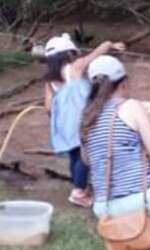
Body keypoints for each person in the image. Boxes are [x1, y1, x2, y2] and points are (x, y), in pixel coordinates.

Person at [81, 55, 150, 245]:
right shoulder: (130, 107)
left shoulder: (86, 116)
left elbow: (87, 161)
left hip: (103, 209)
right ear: (123, 83)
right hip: (142, 205)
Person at [43, 33, 125, 208]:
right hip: (80, 120)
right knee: (84, 157)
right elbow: (96, 53)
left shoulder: (50, 82)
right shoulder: (75, 68)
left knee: (74, 156)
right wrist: (110, 43)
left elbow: (48, 107)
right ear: (67, 54)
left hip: (63, 124)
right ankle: (79, 192)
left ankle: (80, 187)